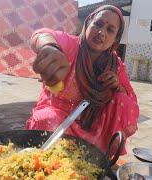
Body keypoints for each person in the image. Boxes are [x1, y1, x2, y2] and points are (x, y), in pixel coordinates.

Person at [26, 5, 139, 155]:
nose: (101, 32)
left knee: (122, 101)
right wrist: (50, 47)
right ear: (87, 24)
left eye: (110, 30)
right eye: (98, 24)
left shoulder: (115, 65)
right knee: (48, 118)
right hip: (58, 116)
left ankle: (99, 154)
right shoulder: (71, 44)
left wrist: (117, 85)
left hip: (93, 122)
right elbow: (42, 34)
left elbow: (131, 99)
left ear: (115, 40)